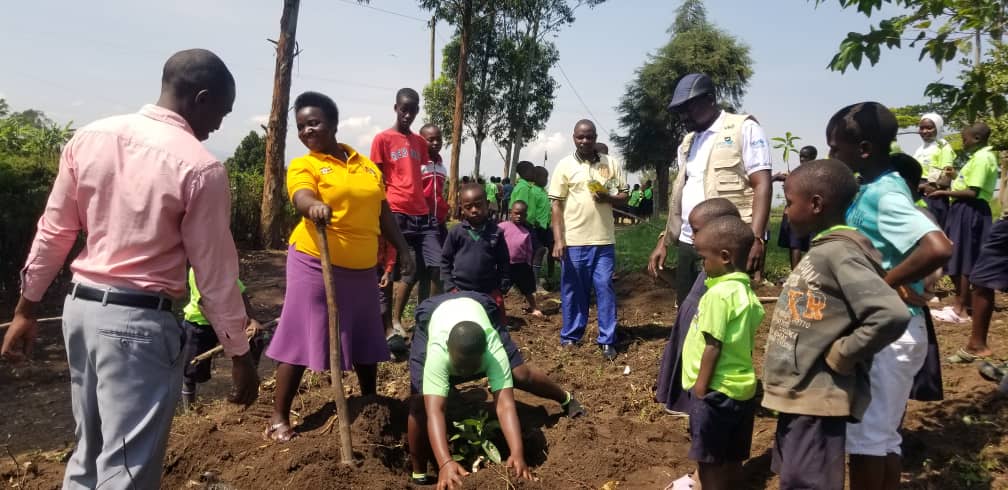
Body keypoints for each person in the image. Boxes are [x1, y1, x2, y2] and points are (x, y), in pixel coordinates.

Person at [0, 49, 258, 489]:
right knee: (127, 470)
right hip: (138, 326)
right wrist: (240, 354)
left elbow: (54, 232)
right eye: (221, 111)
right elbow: (215, 275)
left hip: (80, 312)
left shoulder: (90, 137)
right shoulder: (200, 168)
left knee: (88, 453)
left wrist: (26, 309)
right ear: (201, 98)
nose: (219, 124)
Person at [265, 91, 413, 442]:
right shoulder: (306, 165)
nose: (307, 131)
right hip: (316, 263)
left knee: (365, 335)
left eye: (313, 123)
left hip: (363, 268)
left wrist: (403, 248)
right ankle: (278, 416)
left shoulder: (366, 166)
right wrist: (312, 205)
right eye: (301, 126)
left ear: (333, 123)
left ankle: (367, 400)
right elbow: (301, 194)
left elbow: (382, 211)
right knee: (301, 334)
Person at [763, 159, 911, 490]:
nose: (785, 212)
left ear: (816, 204)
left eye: (788, 202)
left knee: (808, 484)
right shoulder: (825, 251)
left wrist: (843, 354)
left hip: (817, 398)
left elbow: (891, 313)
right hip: (799, 395)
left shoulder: (840, 254)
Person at [828, 101, 952, 490]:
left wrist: (883, 284)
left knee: (865, 440)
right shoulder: (872, 188)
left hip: (888, 336)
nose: (832, 155)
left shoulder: (884, 194)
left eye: (836, 148)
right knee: (883, 437)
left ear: (864, 149)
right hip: (894, 330)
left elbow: (937, 246)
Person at [406, 292, 585, 487]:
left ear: (484, 352)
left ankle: (566, 399)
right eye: (460, 366)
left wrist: (517, 453)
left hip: (477, 307)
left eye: (471, 367)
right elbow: (435, 412)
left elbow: (505, 406)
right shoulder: (437, 353)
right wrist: (445, 463)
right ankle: (419, 473)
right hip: (434, 313)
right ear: (448, 349)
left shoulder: (493, 349)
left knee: (520, 374)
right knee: (419, 402)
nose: (465, 373)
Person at [651, 73, 773, 305]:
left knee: (725, 313)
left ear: (709, 99)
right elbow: (681, 195)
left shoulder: (743, 129)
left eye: (689, 108)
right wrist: (664, 241)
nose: (684, 115)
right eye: (680, 111)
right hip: (690, 242)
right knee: (688, 311)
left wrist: (757, 238)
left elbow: (762, 184)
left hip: (726, 246)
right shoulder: (687, 143)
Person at [680, 215, 765, 490]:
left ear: (725, 256)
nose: (702, 264)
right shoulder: (747, 293)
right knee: (731, 459)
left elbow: (712, 345)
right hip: (741, 391)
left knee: (709, 464)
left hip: (713, 392)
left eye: (703, 258)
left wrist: (701, 389)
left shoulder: (718, 296)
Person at [548, 120, 629, 360]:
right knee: (573, 290)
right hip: (573, 241)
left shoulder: (609, 163)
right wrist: (558, 240)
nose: (585, 141)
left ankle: (607, 340)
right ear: (574, 137)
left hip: (603, 241)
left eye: (589, 137)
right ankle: (571, 337)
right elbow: (556, 205)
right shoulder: (564, 165)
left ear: (595, 137)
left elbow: (623, 195)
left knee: (604, 287)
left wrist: (609, 197)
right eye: (580, 137)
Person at [654, 198, 741, 416]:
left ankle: (687, 401)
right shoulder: (709, 268)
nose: (692, 237)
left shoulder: (726, 285)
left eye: (696, 231)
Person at [370, 88, 442, 335]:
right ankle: (391, 325)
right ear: (396, 108)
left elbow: (428, 162)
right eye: (404, 109)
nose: (408, 114)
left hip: (422, 215)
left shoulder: (419, 142)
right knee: (394, 268)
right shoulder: (382, 139)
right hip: (396, 212)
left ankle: (428, 317)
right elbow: (377, 178)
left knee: (437, 265)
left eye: (413, 110)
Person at [931, 123, 999, 327]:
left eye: (965, 137)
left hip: (969, 209)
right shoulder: (980, 157)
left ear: (977, 138)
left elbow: (972, 192)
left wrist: (944, 192)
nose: (963, 141)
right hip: (966, 208)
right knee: (960, 255)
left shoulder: (981, 158)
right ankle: (964, 304)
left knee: (962, 258)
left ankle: (960, 310)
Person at [181, 269, 266, 409]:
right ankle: (189, 411)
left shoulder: (223, 264)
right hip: (200, 323)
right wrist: (223, 334)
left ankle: (244, 391)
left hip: (226, 320)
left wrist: (252, 320)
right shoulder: (197, 269)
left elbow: (241, 292)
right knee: (192, 371)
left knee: (255, 341)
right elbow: (203, 304)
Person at [440, 184, 511, 320]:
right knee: (460, 322)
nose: (474, 210)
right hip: (460, 289)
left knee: (497, 321)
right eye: (468, 207)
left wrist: (503, 283)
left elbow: (503, 260)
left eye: (478, 205)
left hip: (489, 289)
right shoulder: (457, 232)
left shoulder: (496, 232)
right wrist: (450, 286)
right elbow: (445, 260)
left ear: (487, 204)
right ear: (462, 209)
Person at [774, 145, 817, 270]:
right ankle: (795, 275)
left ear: (813, 157)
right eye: (801, 157)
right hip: (798, 213)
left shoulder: (807, 174)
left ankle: (806, 274)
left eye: (805, 157)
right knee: (795, 245)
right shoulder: (799, 173)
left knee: (807, 245)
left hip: (804, 214)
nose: (802, 160)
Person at [499, 200, 544, 318]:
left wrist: (529, 263)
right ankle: (496, 308)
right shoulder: (502, 227)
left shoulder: (526, 232)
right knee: (500, 288)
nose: (519, 216)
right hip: (505, 265)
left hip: (521, 265)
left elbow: (529, 249)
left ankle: (534, 307)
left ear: (526, 216)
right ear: (510, 213)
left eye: (522, 214)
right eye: (516, 213)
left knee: (527, 288)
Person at [913, 113, 957, 228]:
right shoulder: (920, 149)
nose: (924, 131)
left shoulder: (944, 147)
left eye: (929, 127)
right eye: (921, 128)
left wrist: (922, 186)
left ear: (938, 128)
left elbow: (945, 179)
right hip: (918, 195)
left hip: (933, 198)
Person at [378, 237, 407, 359]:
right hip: (356, 270)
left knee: (383, 307)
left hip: (378, 268)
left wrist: (388, 270)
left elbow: (391, 248)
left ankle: (387, 335)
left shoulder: (383, 224)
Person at [532, 166, 555, 289]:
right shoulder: (533, 191)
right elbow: (531, 210)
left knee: (554, 249)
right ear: (535, 177)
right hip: (537, 227)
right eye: (544, 177)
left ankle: (551, 275)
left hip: (545, 227)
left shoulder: (543, 192)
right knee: (539, 251)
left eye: (547, 177)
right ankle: (534, 282)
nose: (546, 179)